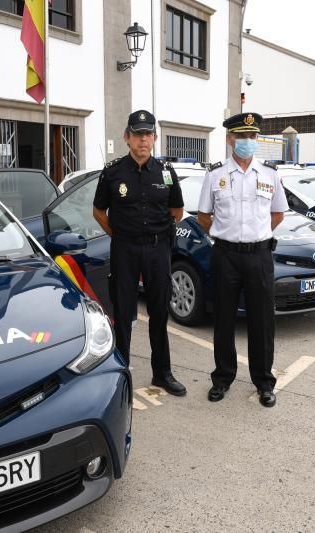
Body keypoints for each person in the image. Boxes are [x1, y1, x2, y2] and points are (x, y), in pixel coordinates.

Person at [196, 112, 288, 407]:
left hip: (259, 255)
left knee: (262, 321)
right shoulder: (215, 174)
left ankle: (264, 382)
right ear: (230, 139)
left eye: (252, 136)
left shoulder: (270, 174)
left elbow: (277, 214)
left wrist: (255, 236)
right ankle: (222, 379)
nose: (247, 141)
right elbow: (203, 216)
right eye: (241, 137)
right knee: (223, 318)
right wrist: (227, 234)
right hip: (225, 255)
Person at [92, 110, 187, 396]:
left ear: (155, 138)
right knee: (122, 312)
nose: (143, 139)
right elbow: (98, 211)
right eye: (138, 134)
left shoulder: (166, 173)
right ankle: (121, 375)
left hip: (158, 249)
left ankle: (162, 373)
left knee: (159, 311)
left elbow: (177, 211)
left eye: (148, 134)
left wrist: (157, 235)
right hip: (125, 249)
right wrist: (120, 235)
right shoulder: (112, 172)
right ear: (127, 137)